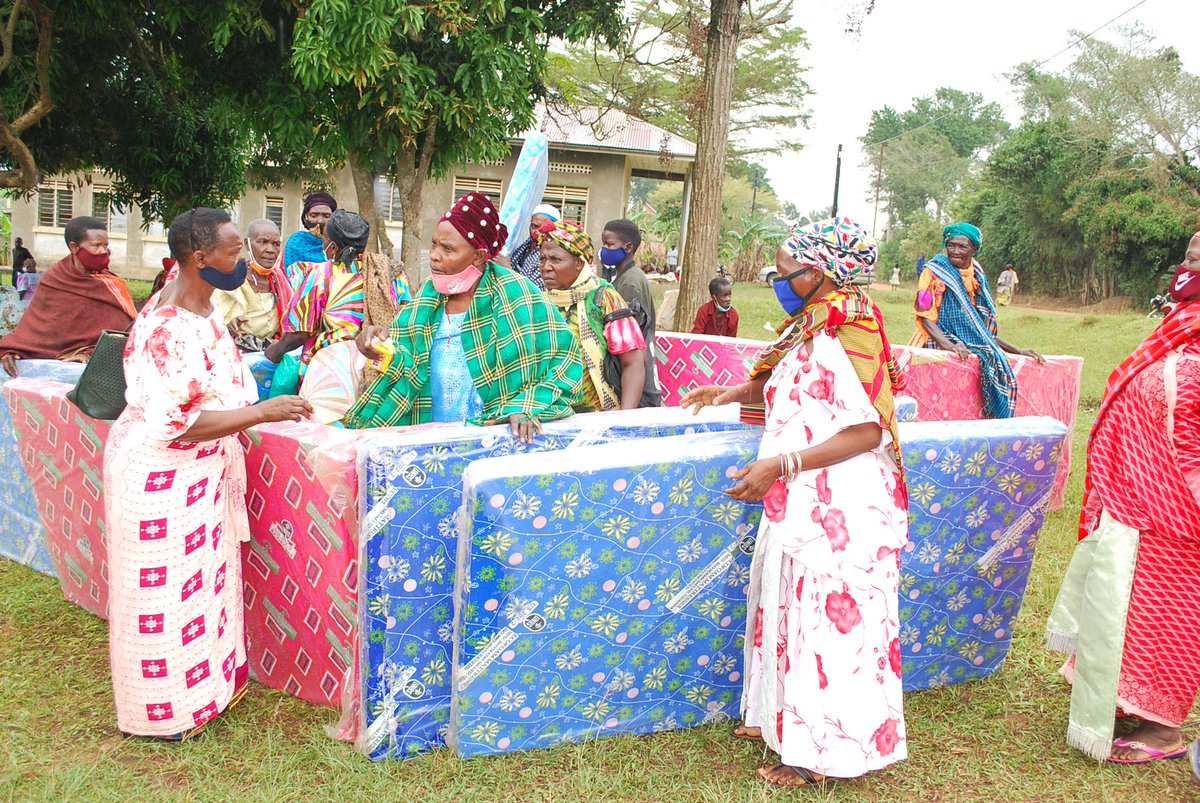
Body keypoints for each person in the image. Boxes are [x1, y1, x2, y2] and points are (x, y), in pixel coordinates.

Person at [681, 216, 908, 788]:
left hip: (842, 505)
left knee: (827, 624)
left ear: (822, 273)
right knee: (786, 605)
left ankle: (817, 755)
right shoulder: (813, 322)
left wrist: (780, 466)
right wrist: (731, 390)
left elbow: (868, 432)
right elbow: (786, 378)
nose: (776, 280)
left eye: (785, 272)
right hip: (804, 494)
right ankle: (778, 717)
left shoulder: (851, 331)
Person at [103, 207, 312, 740]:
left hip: (199, 477)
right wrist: (264, 412)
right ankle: (164, 715)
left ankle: (206, 695)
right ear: (200, 258)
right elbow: (181, 424)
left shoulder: (203, 306)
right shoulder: (168, 328)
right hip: (162, 482)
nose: (243, 258)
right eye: (235, 249)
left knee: (200, 593)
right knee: (162, 599)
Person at [1046, 231, 1200, 765]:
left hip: (1183, 509)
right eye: (1188, 256)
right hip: (1138, 498)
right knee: (1127, 603)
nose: (1188, 267)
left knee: (1171, 612)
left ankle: (1163, 729)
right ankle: (1126, 694)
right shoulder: (1181, 325)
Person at [344, 192, 582, 440]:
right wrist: (381, 346)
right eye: (434, 244)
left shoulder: (517, 294)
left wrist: (526, 404)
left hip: (490, 440)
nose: (435, 255)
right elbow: (407, 362)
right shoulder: (428, 296)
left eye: (447, 249)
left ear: (478, 255)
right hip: (428, 438)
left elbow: (566, 359)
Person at [908, 222, 1043, 418]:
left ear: (974, 249)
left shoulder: (977, 275)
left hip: (967, 346)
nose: (955, 251)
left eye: (962, 247)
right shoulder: (933, 272)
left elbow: (980, 331)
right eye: (951, 245)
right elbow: (925, 317)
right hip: (934, 342)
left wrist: (1018, 351)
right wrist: (950, 346)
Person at [266, 209, 411, 385]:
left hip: (332, 372)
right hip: (383, 366)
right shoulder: (391, 272)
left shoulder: (321, 275)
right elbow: (406, 318)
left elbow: (300, 333)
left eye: (324, 239)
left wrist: (273, 353)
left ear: (332, 247)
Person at [0, 216, 137, 377]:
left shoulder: (112, 285)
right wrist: (14, 349)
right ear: (74, 247)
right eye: (96, 245)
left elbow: (127, 332)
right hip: (54, 365)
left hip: (99, 368)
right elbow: (36, 327)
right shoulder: (54, 279)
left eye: (105, 245)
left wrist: (89, 353)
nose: (103, 251)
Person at [536, 219, 647, 411]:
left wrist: (623, 421)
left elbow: (633, 362)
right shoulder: (538, 302)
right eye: (542, 259)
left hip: (597, 415)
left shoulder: (603, 297)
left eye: (555, 260)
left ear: (579, 263)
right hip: (547, 415)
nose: (545, 267)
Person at [601, 218, 662, 406]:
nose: (603, 249)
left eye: (609, 244)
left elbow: (630, 339)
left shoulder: (629, 282)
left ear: (628, 247)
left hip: (636, 382)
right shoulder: (623, 276)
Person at [213, 219, 288, 352]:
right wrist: (229, 322)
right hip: (234, 353)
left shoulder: (280, 280)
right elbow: (215, 320)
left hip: (271, 353)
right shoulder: (232, 279)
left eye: (276, 244)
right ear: (247, 244)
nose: (271, 250)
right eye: (263, 242)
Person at [504, 203, 561, 290]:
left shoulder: (551, 255)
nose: (537, 231)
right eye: (534, 226)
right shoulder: (524, 247)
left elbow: (535, 290)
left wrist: (508, 270)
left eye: (543, 228)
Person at [282, 191, 337, 280]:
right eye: (314, 215)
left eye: (326, 216)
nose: (320, 220)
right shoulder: (296, 242)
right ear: (305, 217)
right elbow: (289, 278)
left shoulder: (340, 244)